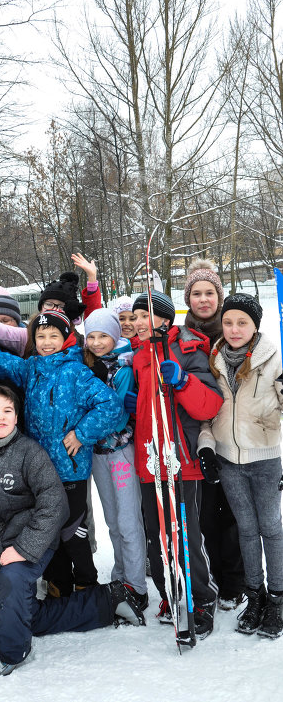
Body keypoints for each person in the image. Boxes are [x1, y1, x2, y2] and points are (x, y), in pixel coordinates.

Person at [0, 385, 145, 677]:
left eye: (7, 411)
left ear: (16, 417)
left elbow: (55, 505)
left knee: (11, 584)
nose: (1, 417)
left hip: (32, 540)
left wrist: (23, 549)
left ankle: (11, 652)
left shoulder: (29, 453)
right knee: (25, 616)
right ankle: (109, 600)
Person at [0, 310, 123, 598]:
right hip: (37, 470)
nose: (46, 342)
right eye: (40, 336)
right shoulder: (31, 369)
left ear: (66, 338)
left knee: (72, 531)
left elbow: (110, 405)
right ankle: (58, 583)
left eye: (53, 336)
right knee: (47, 531)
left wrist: (81, 433)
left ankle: (86, 584)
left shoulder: (76, 371)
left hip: (70, 469)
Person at [127, 290, 223, 638]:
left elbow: (210, 405)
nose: (136, 322)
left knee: (186, 534)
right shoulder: (138, 356)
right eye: (133, 317)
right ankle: (173, 594)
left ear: (165, 319)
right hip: (150, 459)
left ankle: (203, 597)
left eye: (143, 315)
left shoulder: (188, 348)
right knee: (157, 536)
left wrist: (183, 381)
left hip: (180, 459)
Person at [198, 293, 283, 638]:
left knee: (271, 529)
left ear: (255, 325)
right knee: (246, 531)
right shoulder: (213, 358)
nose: (234, 329)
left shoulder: (274, 358)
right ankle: (256, 596)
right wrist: (206, 446)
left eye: (242, 322)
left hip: (265, 460)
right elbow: (206, 411)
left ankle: (277, 599)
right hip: (227, 460)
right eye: (229, 322)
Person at [183, 260, 245, 610]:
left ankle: (236, 582)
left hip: (236, 437)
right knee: (206, 513)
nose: (203, 299)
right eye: (196, 293)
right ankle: (215, 578)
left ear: (218, 296)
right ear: (188, 298)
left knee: (234, 514)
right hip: (199, 437)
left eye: (209, 293)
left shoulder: (233, 330)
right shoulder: (183, 335)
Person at [83, 308, 148, 610]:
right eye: (91, 337)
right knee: (111, 520)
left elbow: (118, 414)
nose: (97, 342)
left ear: (115, 336)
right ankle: (121, 576)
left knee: (128, 519)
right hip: (97, 454)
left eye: (103, 336)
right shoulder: (84, 365)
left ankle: (136, 584)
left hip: (121, 451)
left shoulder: (123, 366)